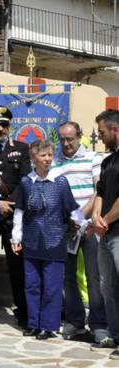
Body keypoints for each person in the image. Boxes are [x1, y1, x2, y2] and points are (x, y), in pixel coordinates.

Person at [11, 140, 85, 340]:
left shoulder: (60, 182)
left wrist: (84, 224)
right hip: (32, 241)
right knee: (32, 285)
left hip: (54, 240)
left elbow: (72, 208)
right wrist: (16, 237)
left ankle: (48, 325)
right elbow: (19, 210)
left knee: (52, 286)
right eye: (43, 156)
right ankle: (33, 323)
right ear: (33, 158)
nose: (47, 159)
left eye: (50, 155)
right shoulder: (26, 182)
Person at [52, 121, 108, 343]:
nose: (66, 144)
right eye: (62, 140)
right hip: (67, 229)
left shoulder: (95, 158)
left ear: (80, 136)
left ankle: (98, 324)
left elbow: (98, 190)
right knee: (67, 277)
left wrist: (80, 216)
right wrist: (69, 221)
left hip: (90, 228)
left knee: (95, 277)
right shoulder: (54, 162)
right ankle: (75, 322)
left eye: (70, 139)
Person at [0, 106, 30, 326]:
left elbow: (26, 180)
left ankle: (22, 309)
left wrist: (10, 204)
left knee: (17, 264)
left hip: (13, 215)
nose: (1, 129)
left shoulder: (22, 148)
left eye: (4, 125)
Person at [91, 109, 119, 359]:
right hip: (106, 234)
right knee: (107, 287)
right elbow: (100, 192)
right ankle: (116, 334)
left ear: (115, 129)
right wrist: (96, 217)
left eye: (102, 133)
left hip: (116, 233)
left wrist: (105, 221)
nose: (100, 138)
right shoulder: (108, 161)